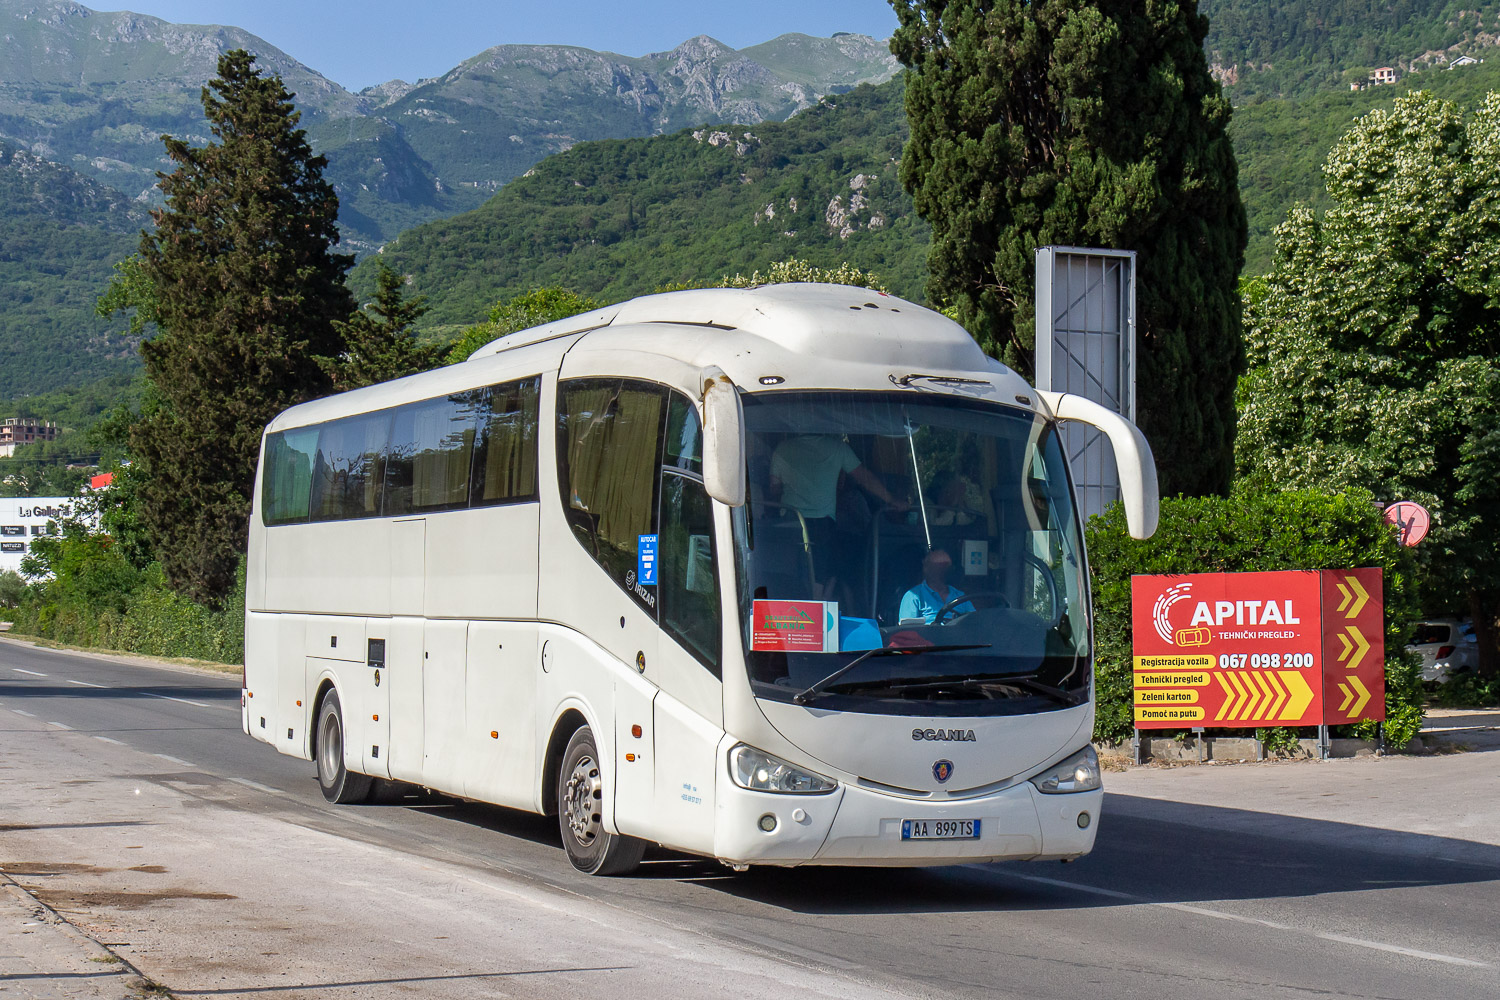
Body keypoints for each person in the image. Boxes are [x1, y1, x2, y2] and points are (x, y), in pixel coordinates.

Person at [769, 434, 906, 598]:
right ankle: (819, 604)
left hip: (790, 523)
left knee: (789, 575)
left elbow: (774, 489)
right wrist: (892, 500)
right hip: (822, 526)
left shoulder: (783, 448)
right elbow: (865, 478)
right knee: (822, 572)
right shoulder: (838, 448)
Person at [900, 548, 975, 624]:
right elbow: (907, 629)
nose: (944, 571)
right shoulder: (913, 596)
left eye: (947, 566)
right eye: (940, 567)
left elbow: (975, 623)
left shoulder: (960, 596)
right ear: (927, 569)